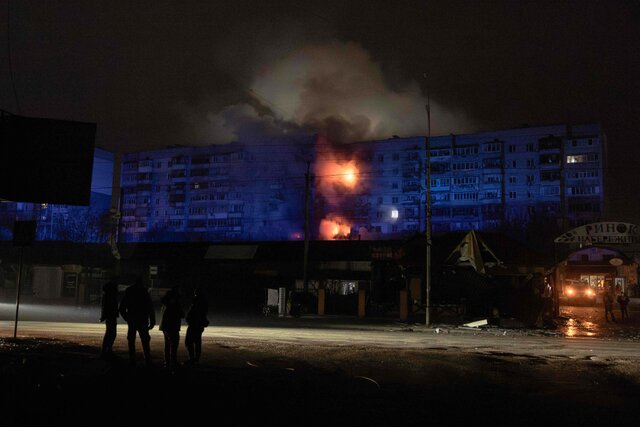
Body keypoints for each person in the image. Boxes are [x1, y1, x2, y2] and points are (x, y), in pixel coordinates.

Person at [118, 277, 155, 366]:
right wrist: (152, 321)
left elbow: (122, 308)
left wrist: (127, 318)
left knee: (131, 341)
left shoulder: (129, 293)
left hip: (132, 320)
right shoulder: (145, 293)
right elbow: (150, 308)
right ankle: (147, 359)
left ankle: (132, 360)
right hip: (143, 320)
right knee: (145, 341)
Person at [159, 286, 184, 371]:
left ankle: (167, 363)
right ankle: (173, 363)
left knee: (167, 345)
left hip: (165, 326)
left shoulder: (165, 303)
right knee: (174, 345)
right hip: (172, 326)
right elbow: (181, 314)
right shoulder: (175, 303)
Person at [184, 288, 209, 364]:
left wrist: (188, 319)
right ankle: (195, 359)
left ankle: (192, 358)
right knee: (197, 342)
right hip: (198, 325)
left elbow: (192, 313)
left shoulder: (196, 302)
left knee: (189, 342)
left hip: (194, 324)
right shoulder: (203, 303)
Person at [99, 280, 119, 360]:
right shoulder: (110, 296)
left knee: (109, 333)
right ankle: (107, 350)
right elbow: (108, 307)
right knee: (112, 333)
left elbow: (104, 307)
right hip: (111, 316)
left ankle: (106, 350)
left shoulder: (107, 295)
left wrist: (103, 316)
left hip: (110, 316)